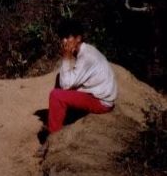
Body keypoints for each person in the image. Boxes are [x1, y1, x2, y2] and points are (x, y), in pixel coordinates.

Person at [39, 18, 117, 153]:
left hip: (102, 102)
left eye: (68, 37)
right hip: (96, 94)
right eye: (62, 37)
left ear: (78, 38)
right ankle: (61, 119)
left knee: (56, 95)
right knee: (60, 80)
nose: (64, 41)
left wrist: (66, 58)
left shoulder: (87, 56)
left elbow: (65, 85)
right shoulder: (85, 51)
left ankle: (53, 138)